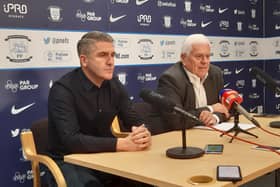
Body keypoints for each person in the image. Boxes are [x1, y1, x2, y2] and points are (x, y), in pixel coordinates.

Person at [47, 31, 152, 187]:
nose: (110, 62)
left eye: (112, 55)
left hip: (105, 156)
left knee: (145, 179)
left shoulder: (114, 85)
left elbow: (134, 120)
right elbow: (72, 141)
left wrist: (144, 133)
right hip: (69, 160)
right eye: (103, 55)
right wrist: (122, 144)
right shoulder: (62, 90)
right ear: (84, 60)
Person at [156, 33, 230, 131]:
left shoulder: (215, 74)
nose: (205, 61)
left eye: (208, 56)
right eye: (199, 56)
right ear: (183, 58)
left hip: (211, 133)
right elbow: (176, 120)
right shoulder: (171, 79)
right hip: (182, 137)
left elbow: (224, 110)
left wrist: (215, 118)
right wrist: (210, 109)